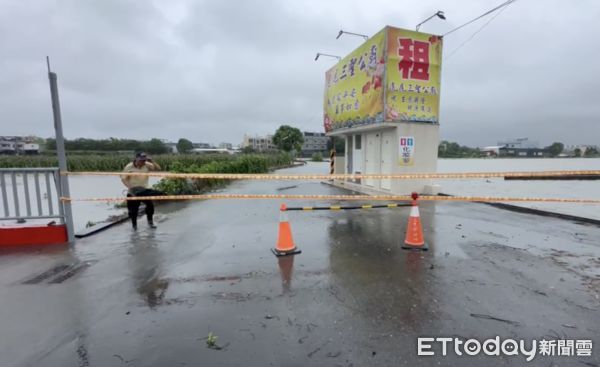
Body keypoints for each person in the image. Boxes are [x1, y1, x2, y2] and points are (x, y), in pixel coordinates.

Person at [121, 152, 162, 229]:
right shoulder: (129, 167)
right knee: (133, 211)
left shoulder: (147, 165)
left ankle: (150, 223)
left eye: (144, 160)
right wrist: (131, 187)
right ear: (136, 159)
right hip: (133, 191)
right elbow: (123, 179)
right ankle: (134, 226)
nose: (143, 162)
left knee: (150, 206)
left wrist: (152, 161)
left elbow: (158, 169)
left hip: (144, 189)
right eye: (141, 160)